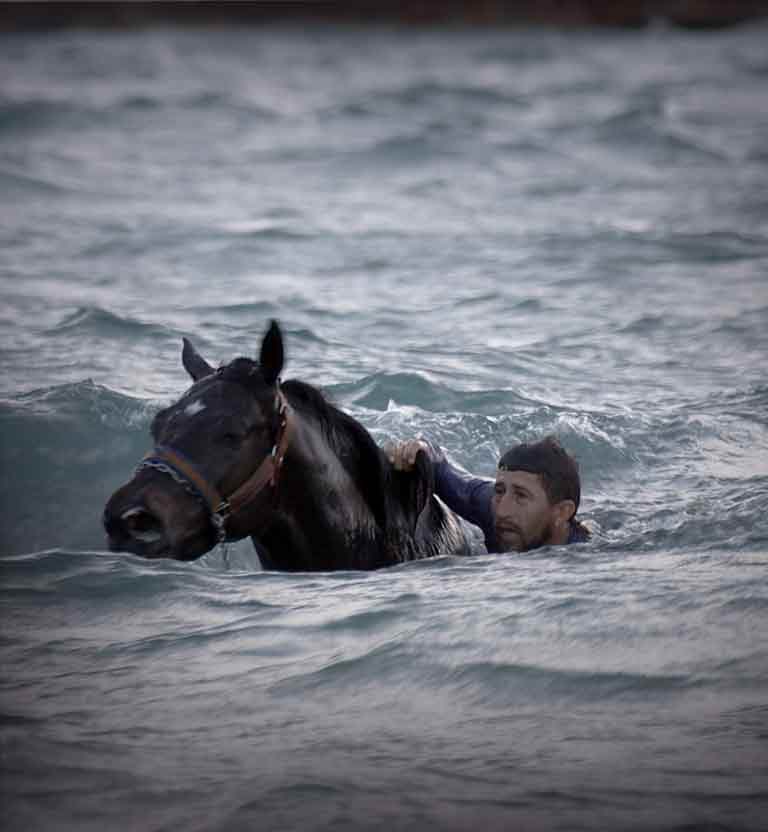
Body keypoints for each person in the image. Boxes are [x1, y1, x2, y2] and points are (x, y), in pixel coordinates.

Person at [387, 435, 590, 553]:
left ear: (562, 512)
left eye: (521, 496)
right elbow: (439, 467)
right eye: (500, 490)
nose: (502, 511)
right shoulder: (487, 504)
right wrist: (418, 449)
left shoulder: (582, 555)